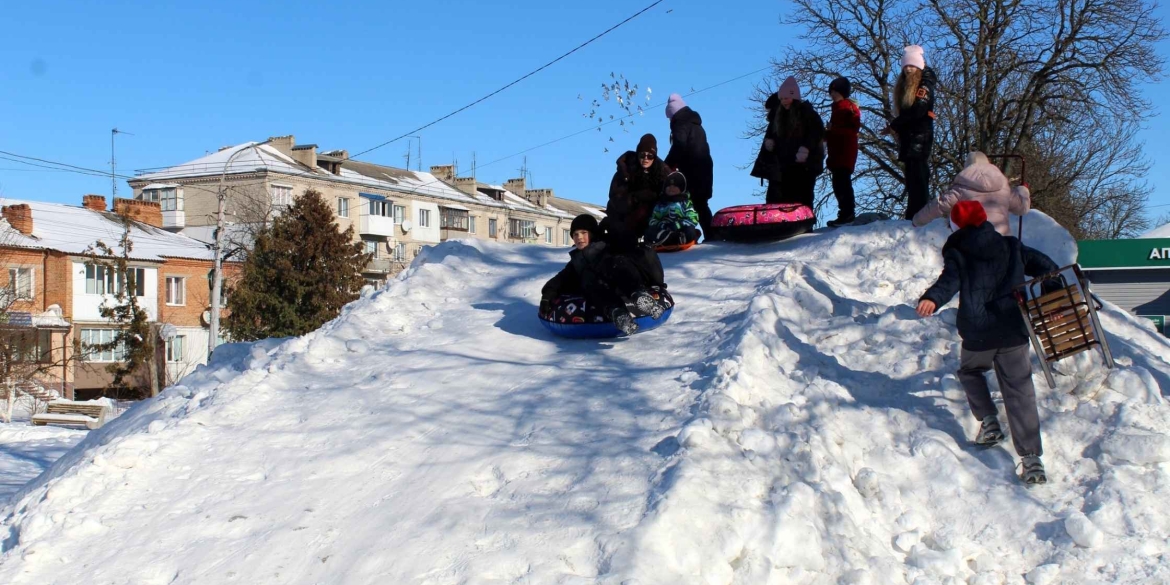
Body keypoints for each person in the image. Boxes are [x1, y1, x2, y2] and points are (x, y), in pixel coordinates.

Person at [916, 200, 1058, 484]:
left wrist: (932, 297)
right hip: (1013, 329)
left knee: (970, 371)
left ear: (956, 225)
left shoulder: (958, 250)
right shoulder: (1011, 246)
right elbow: (1048, 266)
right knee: (1020, 392)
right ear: (984, 220)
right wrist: (1052, 292)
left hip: (978, 331)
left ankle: (990, 422)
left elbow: (950, 280)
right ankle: (1031, 461)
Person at [541, 214, 666, 336]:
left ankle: (639, 296)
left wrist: (611, 224)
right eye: (575, 234)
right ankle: (618, 314)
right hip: (605, 290)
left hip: (625, 279)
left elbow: (628, 239)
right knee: (588, 281)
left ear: (592, 233)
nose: (579, 237)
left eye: (584, 233)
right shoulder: (577, 261)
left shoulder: (608, 243)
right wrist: (547, 295)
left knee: (616, 263)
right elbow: (560, 280)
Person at [913, 151, 1031, 236]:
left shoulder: (961, 187)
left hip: (972, 241)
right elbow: (1022, 208)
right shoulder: (1003, 187)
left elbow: (938, 205)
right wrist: (1022, 190)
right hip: (1001, 242)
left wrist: (917, 221)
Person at [751, 76, 825, 210]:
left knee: (802, 196)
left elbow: (816, 132)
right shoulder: (779, 116)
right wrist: (770, 142)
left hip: (804, 165)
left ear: (794, 97)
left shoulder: (806, 113)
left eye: (787, 98)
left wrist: (806, 148)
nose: (784, 101)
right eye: (782, 99)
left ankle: (805, 224)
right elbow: (773, 134)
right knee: (784, 197)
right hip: (785, 163)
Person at [884, 45, 937, 220]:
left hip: (919, 137)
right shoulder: (909, 85)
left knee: (919, 177)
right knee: (913, 177)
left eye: (912, 66)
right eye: (906, 66)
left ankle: (918, 213)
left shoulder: (924, 85)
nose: (908, 69)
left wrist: (896, 124)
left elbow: (918, 110)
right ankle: (914, 212)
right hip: (911, 136)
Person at [603, 133, 669, 251]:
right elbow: (615, 200)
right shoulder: (625, 171)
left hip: (652, 216)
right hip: (625, 215)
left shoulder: (661, 172)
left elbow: (673, 189)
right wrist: (635, 197)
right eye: (642, 155)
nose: (645, 159)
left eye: (650, 156)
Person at [664, 94, 715, 238]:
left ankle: (687, 234)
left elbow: (679, 146)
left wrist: (667, 164)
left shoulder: (681, 124)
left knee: (687, 204)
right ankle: (711, 233)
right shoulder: (695, 124)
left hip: (692, 169)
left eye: (669, 117)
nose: (669, 120)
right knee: (701, 204)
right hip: (703, 167)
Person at [825, 77, 861, 228]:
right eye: (831, 92)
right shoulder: (836, 108)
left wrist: (832, 130)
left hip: (844, 152)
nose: (832, 94)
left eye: (835, 92)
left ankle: (847, 213)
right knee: (837, 183)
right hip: (836, 152)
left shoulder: (848, 107)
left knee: (842, 183)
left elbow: (852, 130)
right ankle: (844, 213)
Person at [646, 171, 701, 247]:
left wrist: (679, 224)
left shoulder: (685, 203)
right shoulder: (660, 204)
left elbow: (693, 218)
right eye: (669, 186)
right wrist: (662, 225)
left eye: (675, 186)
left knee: (690, 230)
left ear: (681, 189)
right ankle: (669, 239)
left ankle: (677, 238)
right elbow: (653, 219)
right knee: (649, 231)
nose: (671, 188)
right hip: (664, 229)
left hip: (680, 228)